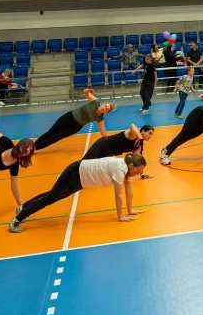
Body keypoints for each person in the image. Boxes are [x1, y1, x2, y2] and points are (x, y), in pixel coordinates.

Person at [9, 153, 146, 232]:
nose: (138, 174)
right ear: (132, 165)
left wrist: (130, 210)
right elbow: (118, 194)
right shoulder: (120, 169)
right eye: (139, 171)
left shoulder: (127, 170)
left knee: (51, 196)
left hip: (81, 181)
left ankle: (22, 208)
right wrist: (120, 216)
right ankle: (16, 220)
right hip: (75, 172)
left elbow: (129, 190)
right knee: (50, 197)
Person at [33, 89, 115, 150]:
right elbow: (85, 93)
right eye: (105, 106)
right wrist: (87, 90)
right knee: (50, 132)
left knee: (55, 137)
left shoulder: (100, 118)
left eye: (106, 109)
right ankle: (32, 145)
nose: (104, 108)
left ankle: (34, 149)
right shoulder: (95, 102)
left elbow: (103, 133)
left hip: (75, 127)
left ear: (107, 112)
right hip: (69, 117)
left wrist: (110, 143)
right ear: (103, 104)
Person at [82, 124, 153, 160]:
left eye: (152, 134)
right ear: (143, 131)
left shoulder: (137, 146)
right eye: (150, 133)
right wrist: (140, 138)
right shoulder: (134, 134)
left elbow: (137, 160)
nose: (151, 136)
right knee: (85, 162)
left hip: (109, 153)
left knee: (94, 165)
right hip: (103, 144)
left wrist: (142, 174)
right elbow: (132, 126)